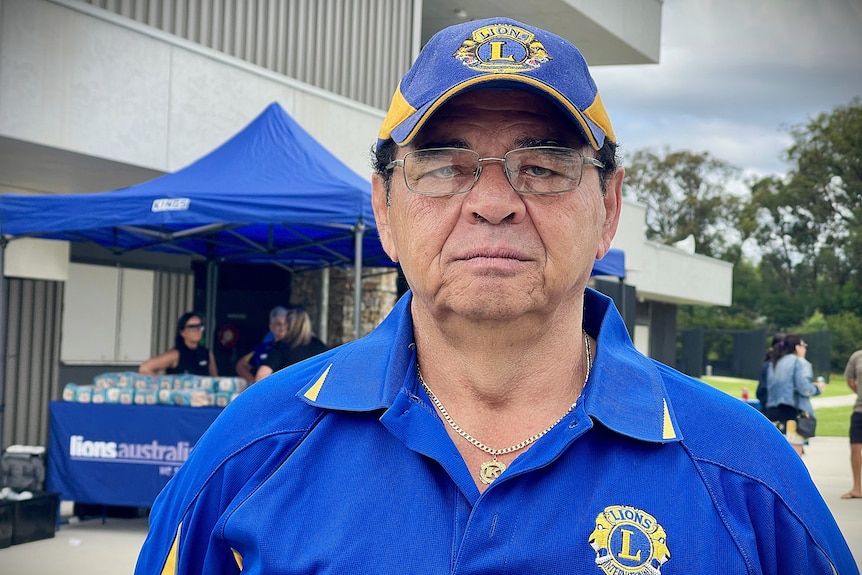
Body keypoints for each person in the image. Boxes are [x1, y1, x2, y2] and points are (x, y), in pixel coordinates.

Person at [135, 18, 857, 573]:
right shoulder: (250, 452)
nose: (492, 201)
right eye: (445, 164)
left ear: (608, 207)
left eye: (541, 165)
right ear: (385, 208)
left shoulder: (746, 475)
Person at [763, 333, 825, 453]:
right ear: (797, 347)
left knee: (777, 452)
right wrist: (817, 389)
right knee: (795, 453)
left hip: (773, 412)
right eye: (804, 345)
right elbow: (804, 388)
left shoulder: (775, 362)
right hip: (792, 413)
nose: (805, 348)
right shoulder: (799, 362)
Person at [253, 306, 327, 382]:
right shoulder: (319, 346)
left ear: (289, 324)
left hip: (287, 391)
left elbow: (261, 375)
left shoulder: (282, 346)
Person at [138, 311, 217, 377]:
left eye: (200, 327)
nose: (197, 330)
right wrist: (162, 384)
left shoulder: (207, 354)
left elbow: (215, 380)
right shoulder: (175, 354)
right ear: (182, 332)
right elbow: (145, 368)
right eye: (192, 328)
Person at [233, 306, 290, 383]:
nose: (282, 328)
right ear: (271, 327)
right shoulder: (264, 348)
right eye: (278, 324)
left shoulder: (293, 348)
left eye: (285, 324)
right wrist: (254, 384)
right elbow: (241, 366)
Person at [843, 347, 862, 499]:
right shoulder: (857, 356)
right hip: (860, 409)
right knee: (855, 447)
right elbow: (850, 380)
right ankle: (857, 488)